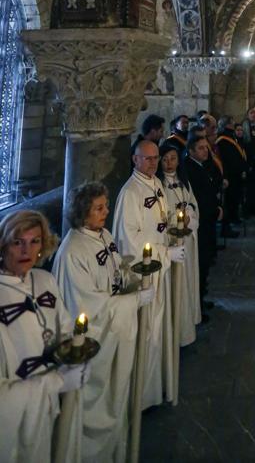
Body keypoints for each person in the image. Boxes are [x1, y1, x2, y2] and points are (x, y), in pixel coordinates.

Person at [53, 182, 152, 463]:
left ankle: (118, 448)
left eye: (105, 206)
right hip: (98, 336)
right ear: (83, 213)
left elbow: (115, 268)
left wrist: (132, 278)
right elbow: (85, 306)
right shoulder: (72, 251)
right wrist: (131, 301)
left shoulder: (103, 234)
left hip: (116, 326)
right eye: (99, 208)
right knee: (99, 397)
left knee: (119, 392)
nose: (106, 212)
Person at [0, 210, 87, 463]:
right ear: (4, 245)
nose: (27, 251)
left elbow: (65, 327)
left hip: (51, 403)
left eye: (34, 241)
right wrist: (54, 383)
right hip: (21, 416)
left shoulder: (45, 280)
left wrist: (76, 357)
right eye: (18, 242)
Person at [113, 140, 185, 409]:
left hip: (159, 269)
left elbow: (162, 220)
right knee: (147, 332)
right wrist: (164, 253)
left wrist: (175, 230)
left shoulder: (155, 184)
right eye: (148, 158)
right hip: (143, 273)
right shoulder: (129, 193)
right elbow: (129, 240)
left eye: (156, 158)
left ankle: (157, 390)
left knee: (158, 330)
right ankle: (141, 398)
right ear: (135, 159)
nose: (153, 163)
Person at [157, 144, 202, 344]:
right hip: (172, 241)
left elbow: (192, 202)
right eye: (165, 159)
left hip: (188, 240)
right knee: (177, 285)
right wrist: (176, 219)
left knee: (189, 280)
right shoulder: (158, 185)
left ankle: (189, 323)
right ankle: (177, 331)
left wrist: (190, 215)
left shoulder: (183, 181)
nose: (169, 163)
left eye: (173, 159)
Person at [184, 135, 223, 319]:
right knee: (199, 264)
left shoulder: (199, 166)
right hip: (201, 224)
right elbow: (199, 199)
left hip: (206, 222)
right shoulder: (190, 169)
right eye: (200, 148)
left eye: (206, 148)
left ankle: (201, 299)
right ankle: (197, 306)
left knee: (204, 264)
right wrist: (215, 211)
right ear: (191, 151)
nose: (205, 151)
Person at [216, 116, 245, 232]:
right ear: (227, 124)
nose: (234, 124)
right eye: (232, 123)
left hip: (235, 175)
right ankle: (227, 223)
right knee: (229, 200)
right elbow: (228, 159)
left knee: (235, 198)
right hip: (230, 175)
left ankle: (234, 217)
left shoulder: (230, 136)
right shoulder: (223, 139)